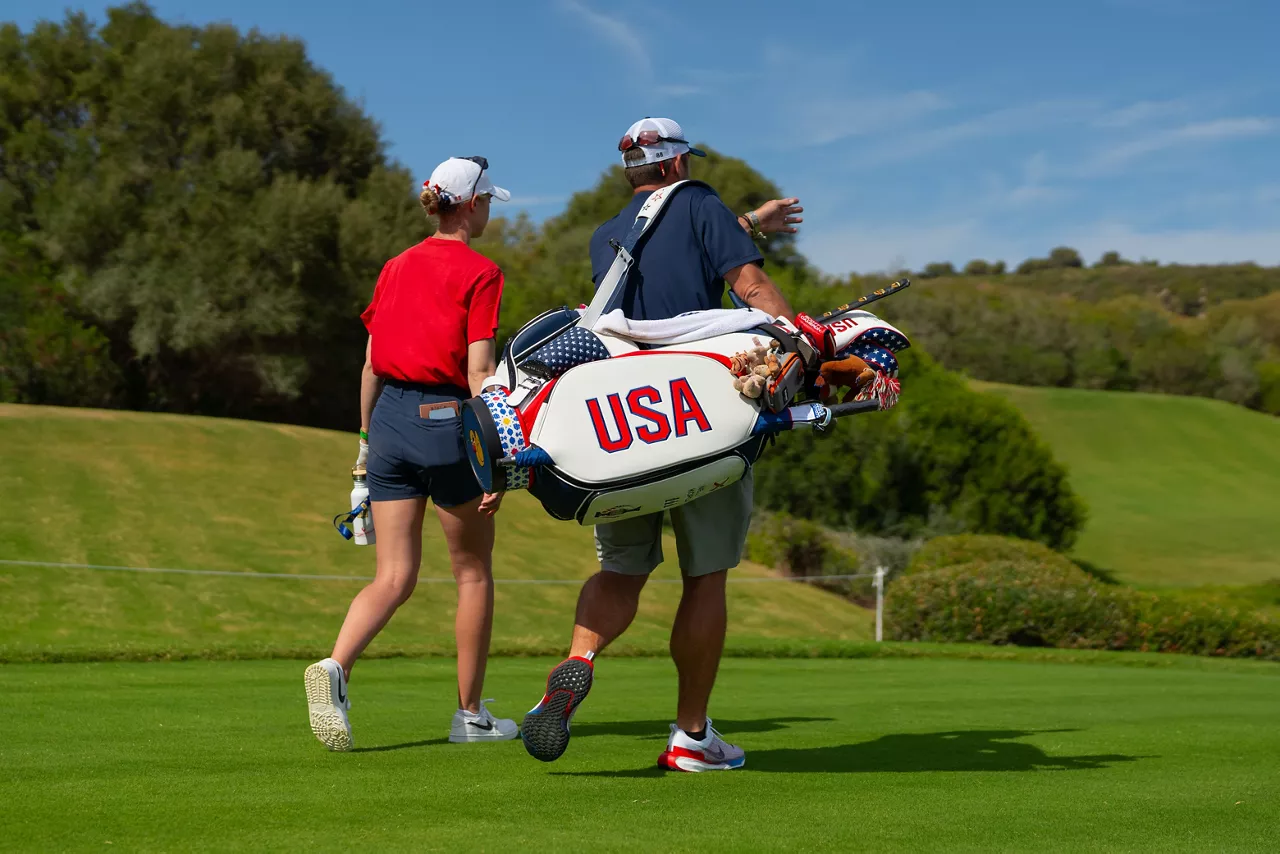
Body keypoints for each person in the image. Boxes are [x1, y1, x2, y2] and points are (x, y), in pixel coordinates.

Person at [520, 118, 807, 772]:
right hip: (699, 417)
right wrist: (803, 343)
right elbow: (750, 288)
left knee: (622, 570)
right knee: (705, 576)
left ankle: (578, 659)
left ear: (634, 173)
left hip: (622, 428)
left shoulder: (607, 237)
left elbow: (668, 258)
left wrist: (749, 224)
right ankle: (691, 735)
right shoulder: (700, 202)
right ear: (678, 166)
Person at [304, 156, 520, 751]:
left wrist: (366, 447)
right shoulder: (482, 272)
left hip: (391, 426)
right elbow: (479, 372)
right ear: (471, 204)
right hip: (446, 423)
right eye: (487, 203)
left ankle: (337, 668)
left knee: (393, 576)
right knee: (472, 573)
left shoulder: (395, 266)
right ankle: (470, 716)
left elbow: (372, 364)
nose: (489, 213)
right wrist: (499, 450)